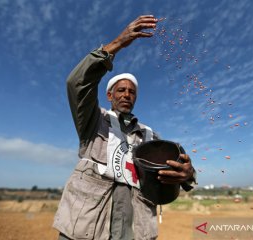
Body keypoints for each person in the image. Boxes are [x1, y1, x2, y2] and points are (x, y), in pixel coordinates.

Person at [53, 15, 196, 240]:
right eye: (121, 90)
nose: (127, 95)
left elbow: (176, 168)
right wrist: (117, 44)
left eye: (131, 92)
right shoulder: (94, 120)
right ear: (109, 95)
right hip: (85, 230)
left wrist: (187, 175)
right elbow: (77, 83)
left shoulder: (150, 136)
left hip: (134, 232)